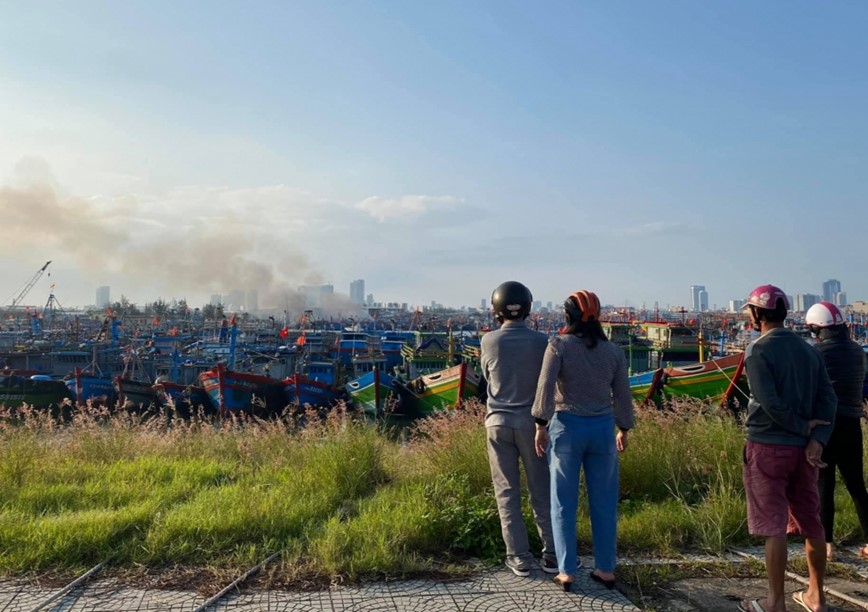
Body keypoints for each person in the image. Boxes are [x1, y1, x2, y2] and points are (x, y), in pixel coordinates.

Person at [739, 284, 837, 612]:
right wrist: (816, 439)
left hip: (767, 447)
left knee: (773, 525)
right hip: (804, 452)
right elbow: (829, 399)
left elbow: (769, 404)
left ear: (757, 313)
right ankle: (817, 597)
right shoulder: (810, 350)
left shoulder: (757, 350)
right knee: (812, 522)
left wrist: (799, 426)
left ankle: (775, 603)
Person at [532, 290, 634, 592]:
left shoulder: (558, 346)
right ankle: (605, 569)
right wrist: (624, 428)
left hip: (567, 428)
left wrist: (540, 424)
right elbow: (623, 396)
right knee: (603, 502)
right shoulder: (613, 352)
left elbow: (545, 387)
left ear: (567, 316)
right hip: (603, 429)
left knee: (563, 501)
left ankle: (566, 570)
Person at [480, 281, 557, 577]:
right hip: (533, 425)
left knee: (507, 493)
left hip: (497, 423)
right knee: (541, 491)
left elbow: (488, 376)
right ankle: (551, 554)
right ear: (528, 308)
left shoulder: (489, 341)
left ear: (497, 310)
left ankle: (519, 557)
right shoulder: (543, 342)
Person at [805, 301, 868, 562]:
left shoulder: (816, 353)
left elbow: (808, 391)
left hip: (825, 427)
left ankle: (827, 544)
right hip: (853, 425)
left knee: (823, 485)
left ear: (817, 329)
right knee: (857, 486)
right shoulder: (858, 351)